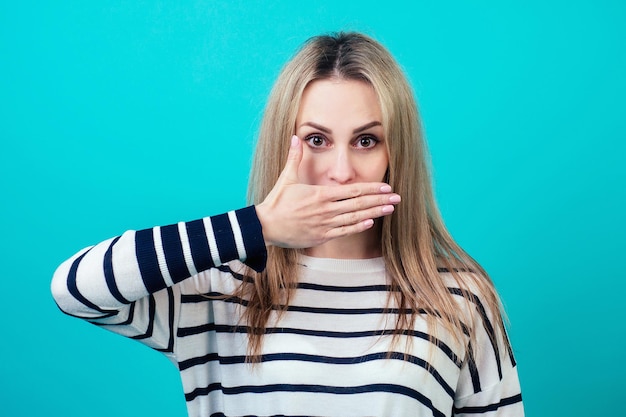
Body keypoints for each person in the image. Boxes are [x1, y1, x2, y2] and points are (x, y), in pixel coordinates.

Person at [51, 32, 524, 417]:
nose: (340, 171)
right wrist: (257, 225)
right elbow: (74, 287)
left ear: (394, 154)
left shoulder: (460, 299)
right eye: (317, 139)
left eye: (365, 141)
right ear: (285, 146)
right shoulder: (219, 288)